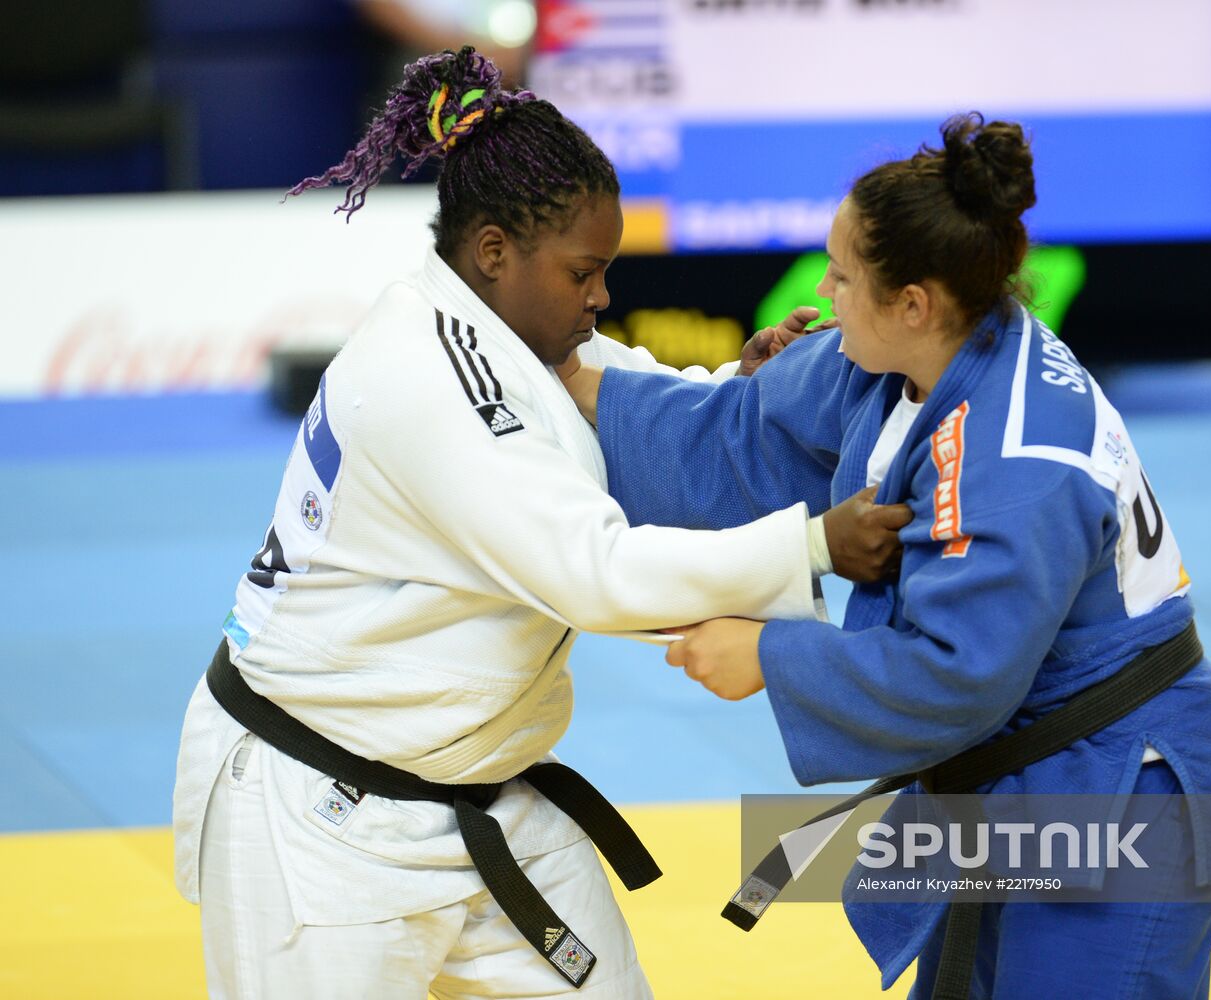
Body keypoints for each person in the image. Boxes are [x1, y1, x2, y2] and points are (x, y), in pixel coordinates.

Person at [171, 47, 910, 1000]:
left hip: (482, 788)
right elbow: (591, 573)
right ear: (492, 253)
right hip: (320, 815)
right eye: (584, 273)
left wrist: (739, 390)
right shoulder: (419, 375)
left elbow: (631, 406)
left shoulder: (518, 335)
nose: (600, 295)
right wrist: (814, 542)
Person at [559, 114, 1211, 999]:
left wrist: (768, 658)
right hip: (1021, 777)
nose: (822, 289)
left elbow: (954, 676)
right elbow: (737, 436)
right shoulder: (906, 355)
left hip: (1123, 798)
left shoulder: (1018, 462)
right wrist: (568, 383)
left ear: (911, 300)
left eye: (841, 276)